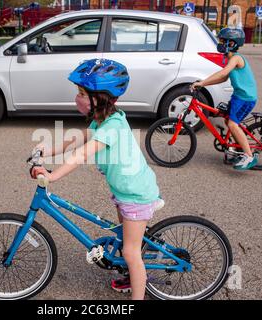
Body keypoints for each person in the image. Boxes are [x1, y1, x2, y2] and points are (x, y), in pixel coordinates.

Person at [31, 59, 164, 300]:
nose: (77, 98)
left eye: (82, 93)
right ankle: (130, 277)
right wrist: (47, 150)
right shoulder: (102, 120)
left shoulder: (112, 127)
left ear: (99, 98)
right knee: (125, 239)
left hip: (136, 196)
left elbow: (83, 153)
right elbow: (78, 139)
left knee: (131, 251)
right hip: (124, 192)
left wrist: (53, 175)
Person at [192, 27, 258, 170]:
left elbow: (223, 72)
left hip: (245, 98)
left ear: (232, 43)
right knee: (229, 121)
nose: (220, 43)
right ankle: (237, 151)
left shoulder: (236, 58)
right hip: (238, 96)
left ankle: (249, 156)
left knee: (233, 125)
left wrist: (202, 83)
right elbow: (223, 78)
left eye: (223, 41)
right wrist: (204, 84)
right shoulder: (229, 58)